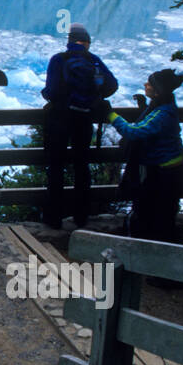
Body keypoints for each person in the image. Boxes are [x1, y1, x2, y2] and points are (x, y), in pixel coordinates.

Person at [103, 68, 183, 287]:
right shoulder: (162, 107)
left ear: (159, 90)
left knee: (161, 222)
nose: (145, 85)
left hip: (166, 177)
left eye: (150, 83)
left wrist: (110, 115)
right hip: (165, 174)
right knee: (155, 219)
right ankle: (160, 271)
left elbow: (135, 132)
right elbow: (149, 125)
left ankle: (169, 276)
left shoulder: (164, 113)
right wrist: (143, 108)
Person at [41, 23, 118, 229]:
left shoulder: (59, 60)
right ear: (87, 43)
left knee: (56, 167)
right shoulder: (93, 61)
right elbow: (112, 85)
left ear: (69, 42)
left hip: (60, 119)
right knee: (82, 167)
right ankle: (81, 217)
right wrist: (94, 97)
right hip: (83, 120)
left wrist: (51, 97)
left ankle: (53, 218)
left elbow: (52, 90)